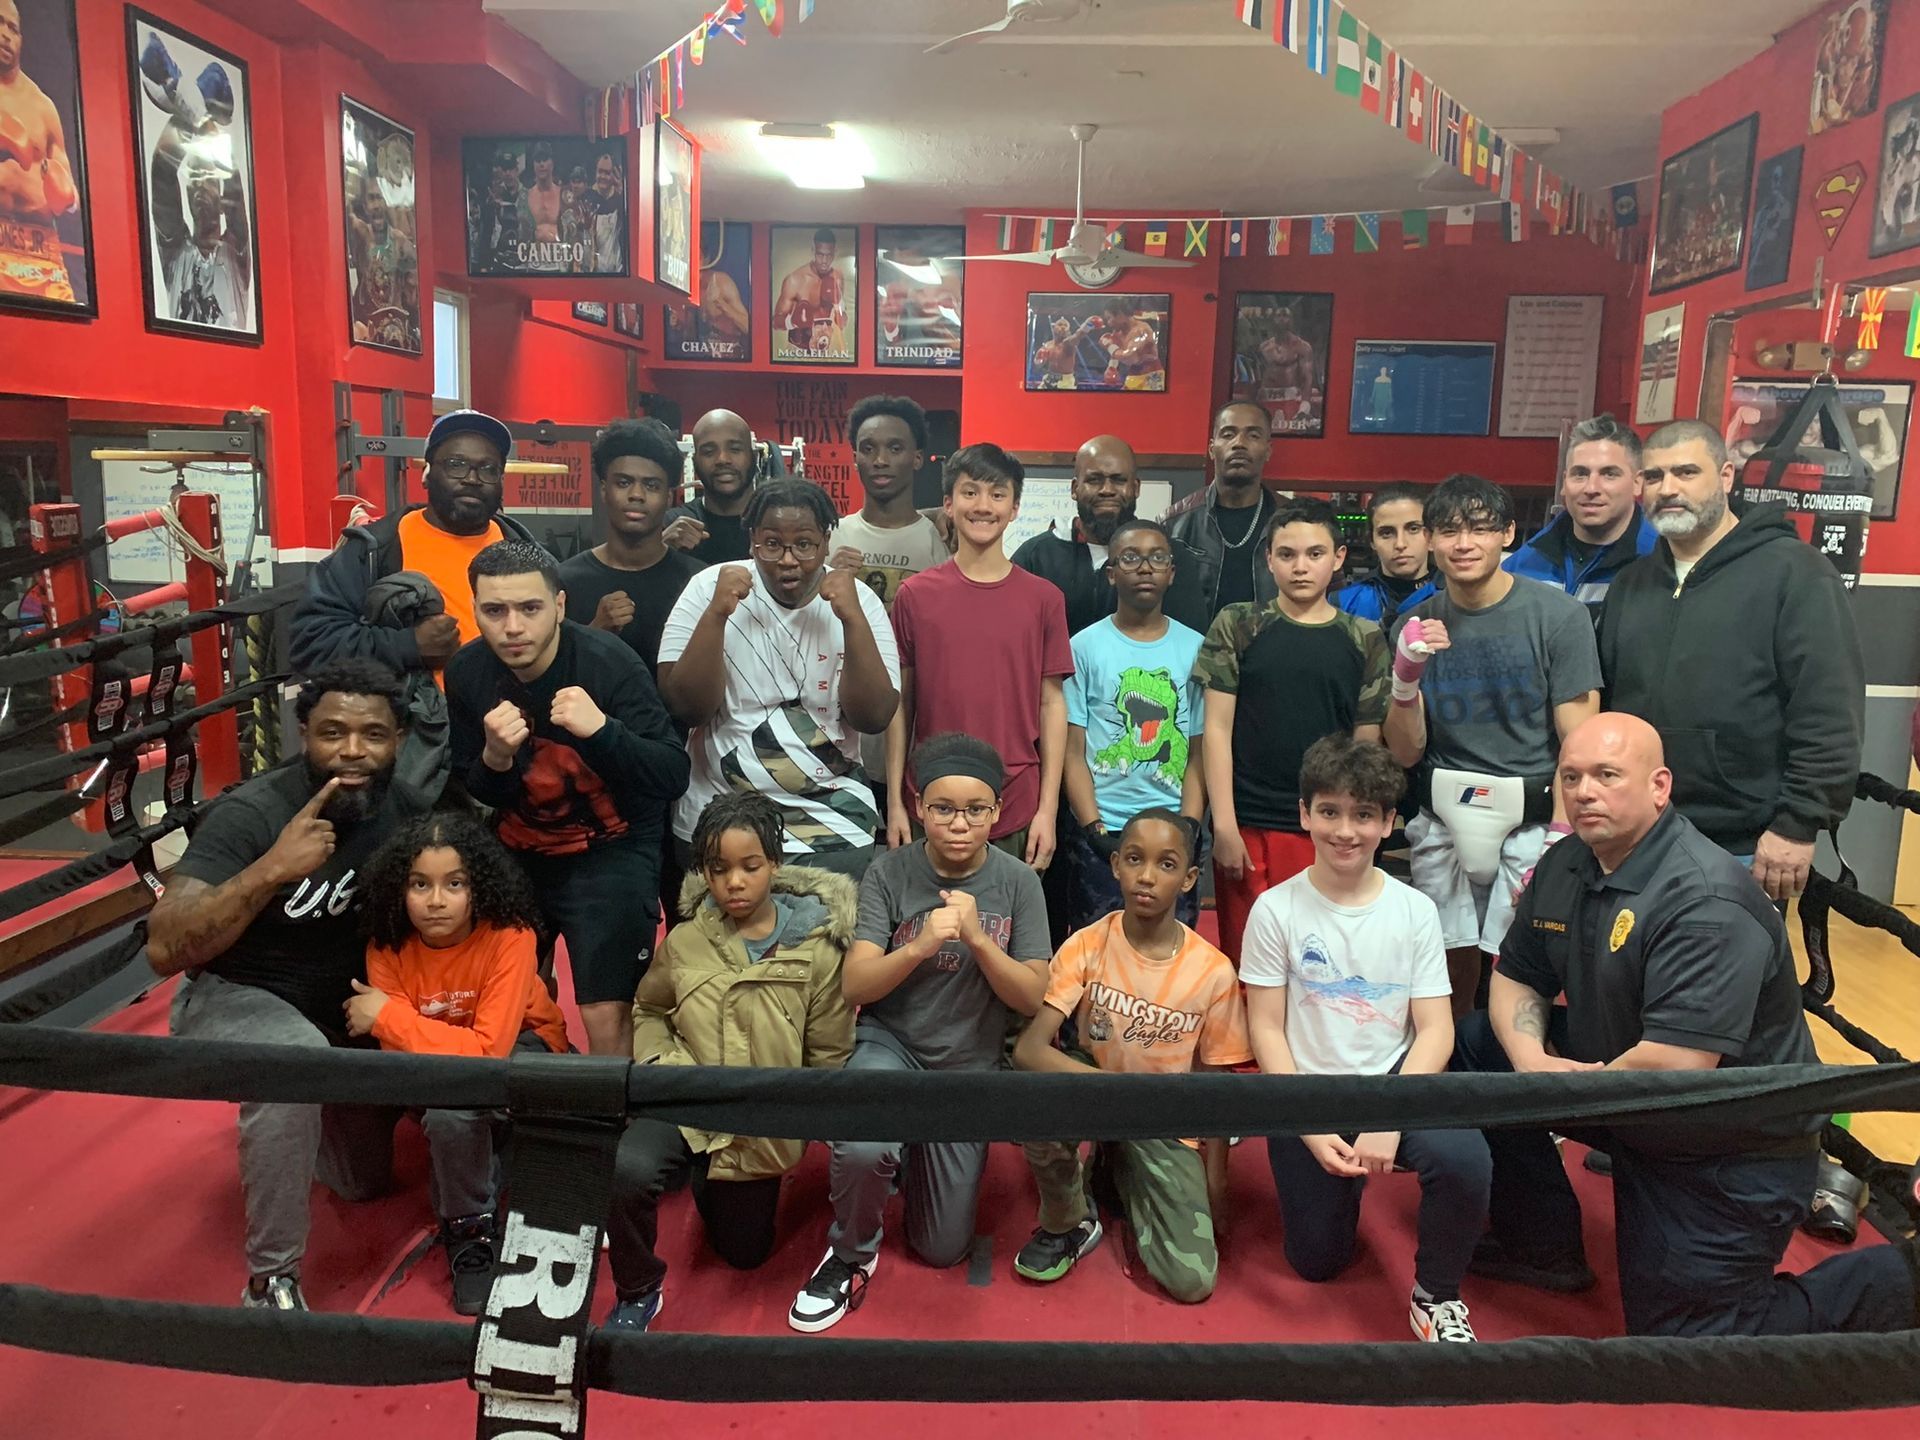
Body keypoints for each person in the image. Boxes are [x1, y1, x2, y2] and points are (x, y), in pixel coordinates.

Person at [1453, 713, 1918, 1336]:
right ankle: (1541, 1243)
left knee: (1690, 1338)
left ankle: (1905, 1277)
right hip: (1627, 1099)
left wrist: (1551, 1088)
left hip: (1726, 1149)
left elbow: (1676, 1069)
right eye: (1571, 776)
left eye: (1606, 775)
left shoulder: (1705, 901)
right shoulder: (1569, 861)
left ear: (1659, 787)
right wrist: (1532, 1063)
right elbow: (1516, 973)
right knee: (1485, 1042)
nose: (1584, 790)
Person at [147, 660, 430, 1312]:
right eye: (333, 732)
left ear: (400, 739)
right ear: (304, 734)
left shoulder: (407, 813)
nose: (352, 751)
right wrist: (270, 870)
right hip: (236, 997)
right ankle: (270, 1283)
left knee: (362, 1183)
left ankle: (313, 1120)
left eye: (373, 735)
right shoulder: (251, 814)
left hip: (342, 1011)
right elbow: (164, 948)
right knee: (294, 1060)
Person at [788, 734, 1051, 1333]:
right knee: (863, 1141)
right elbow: (857, 987)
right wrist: (924, 941)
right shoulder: (887, 873)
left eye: (976, 810)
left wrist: (979, 939)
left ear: (997, 812)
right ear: (919, 807)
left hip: (969, 1064)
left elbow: (1031, 995)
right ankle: (850, 1252)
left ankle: (907, 1159)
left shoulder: (1018, 883)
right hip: (893, 1045)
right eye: (943, 809)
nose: (959, 824)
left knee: (941, 1249)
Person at [1242, 735, 1489, 1343]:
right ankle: (1334, 1193)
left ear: (1388, 824)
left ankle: (1437, 1297)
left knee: (1467, 1159)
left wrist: (1391, 1113)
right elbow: (1267, 1028)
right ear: (1304, 815)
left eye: (1363, 815)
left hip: (1394, 1081)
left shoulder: (1414, 911)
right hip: (1309, 1092)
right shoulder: (1275, 910)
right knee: (1317, 1263)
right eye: (1329, 812)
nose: (1344, 830)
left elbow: (1435, 1029)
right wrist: (1307, 1121)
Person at [607, 792, 856, 1332]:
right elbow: (649, 1008)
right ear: (704, 873)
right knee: (627, 1170)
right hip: (688, 1098)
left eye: (750, 867)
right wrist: (664, 1064)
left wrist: (796, 1118)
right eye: (719, 870)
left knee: (744, 1254)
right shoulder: (686, 940)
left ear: (775, 863)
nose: (734, 883)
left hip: (758, 1123)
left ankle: (711, 1184)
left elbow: (828, 1055)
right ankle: (637, 1291)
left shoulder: (818, 950)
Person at [1597, 419, 1864, 898]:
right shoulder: (1631, 585)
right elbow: (1609, 706)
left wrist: (1798, 824)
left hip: (1743, 841)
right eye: (1654, 477)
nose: (1668, 489)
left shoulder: (1795, 574)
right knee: (1621, 971)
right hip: (1635, 834)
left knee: (1721, 973)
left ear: (1724, 477)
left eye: (1685, 472)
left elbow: (1828, 711)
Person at [445, 541, 689, 1057]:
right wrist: (494, 758)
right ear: (476, 611)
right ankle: (535, 1119)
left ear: (558, 606)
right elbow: (477, 786)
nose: (512, 628)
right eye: (495, 611)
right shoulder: (469, 672)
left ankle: (608, 1131)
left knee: (604, 1016)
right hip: (519, 850)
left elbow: (672, 774)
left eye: (529, 608)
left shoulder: (609, 664)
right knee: (516, 1000)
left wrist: (604, 732)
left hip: (612, 851)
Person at [1384, 474, 1601, 1014]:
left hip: (1532, 814)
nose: (1464, 544)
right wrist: (1406, 677)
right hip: (1441, 811)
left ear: (1508, 534)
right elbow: (1405, 753)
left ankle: (1513, 1079)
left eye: (1480, 529)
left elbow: (1580, 742)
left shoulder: (1559, 618)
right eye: (1450, 530)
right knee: (1440, 961)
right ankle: (1447, 1073)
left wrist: (1561, 836)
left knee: (1522, 962)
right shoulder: (1414, 622)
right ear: (1429, 539)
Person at [1012, 809, 1247, 1301]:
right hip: (1094, 1090)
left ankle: (1119, 1165)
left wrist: (1216, 1181)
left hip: (1163, 1117)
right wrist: (1112, 1093)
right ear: (1116, 865)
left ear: (1188, 879)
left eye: (1165, 865)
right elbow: (1031, 1051)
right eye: (1135, 860)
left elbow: (1217, 1087)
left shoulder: (1214, 972)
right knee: (1036, 1098)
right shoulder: (1086, 944)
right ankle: (1069, 1220)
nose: (1146, 876)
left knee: (1192, 1283)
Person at [350, 812, 571, 1314]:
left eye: (455, 884)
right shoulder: (386, 948)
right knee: (452, 1110)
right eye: (420, 884)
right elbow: (397, 1057)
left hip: (526, 1046)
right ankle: (471, 1230)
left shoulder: (510, 937)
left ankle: (481, 1205)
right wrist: (403, 1031)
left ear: (480, 887)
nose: (435, 901)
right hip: (446, 1075)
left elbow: (491, 1050)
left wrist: (386, 1015)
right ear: (398, 889)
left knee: (456, 1109)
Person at [658, 479, 899, 883]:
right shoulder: (708, 587)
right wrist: (717, 614)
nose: (789, 560)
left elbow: (874, 717)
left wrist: (853, 620)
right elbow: (686, 707)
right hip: (721, 811)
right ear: (752, 540)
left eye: (804, 545)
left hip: (832, 819)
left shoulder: (859, 600)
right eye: (772, 544)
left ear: (825, 541)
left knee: (827, 944)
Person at [1196, 497, 1390, 964]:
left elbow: (1366, 748)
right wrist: (1223, 823)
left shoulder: (1364, 637)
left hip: (1326, 827)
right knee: (1249, 961)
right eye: (1287, 555)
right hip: (1249, 822)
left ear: (1338, 559)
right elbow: (1216, 730)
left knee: (1320, 960)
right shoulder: (1238, 624)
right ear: (1269, 559)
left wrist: (1354, 827)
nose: (1300, 567)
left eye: (1315, 554)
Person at [888, 444, 1072, 872]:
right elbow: (902, 703)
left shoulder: (1044, 599)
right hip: (931, 800)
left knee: (1006, 935)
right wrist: (897, 801)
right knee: (927, 933)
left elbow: (1052, 703)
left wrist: (1047, 810)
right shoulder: (915, 595)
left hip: (1016, 800)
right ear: (949, 505)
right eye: (970, 493)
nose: (983, 506)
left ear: (1014, 508)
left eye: (997, 494)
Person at [291, 408, 541, 680]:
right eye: (456, 464)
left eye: (488, 469)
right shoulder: (374, 549)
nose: (472, 478)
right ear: (427, 474)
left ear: (501, 481)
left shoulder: (528, 553)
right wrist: (408, 646)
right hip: (411, 719)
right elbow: (311, 644)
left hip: (512, 719)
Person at [1064, 518, 1206, 930]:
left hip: (1173, 831)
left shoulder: (1196, 648)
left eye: (1157, 558)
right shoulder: (1082, 647)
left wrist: (1191, 826)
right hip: (1104, 829)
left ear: (1172, 572)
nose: (1145, 567)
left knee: (1170, 953)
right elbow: (1073, 751)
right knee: (1097, 950)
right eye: (1130, 558)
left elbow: (1198, 752)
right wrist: (1094, 828)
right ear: (1111, 573)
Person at [1012, 434, 1209, 636]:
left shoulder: (1166, 557)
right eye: (1094, 480)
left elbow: (1188, 642)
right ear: (1074, 489)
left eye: (1118, 480)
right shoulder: (1035, 557)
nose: (1107, 490)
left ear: (1136, 488)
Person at [560, 418, 702, 679]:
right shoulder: (563, 582)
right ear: (604, 490)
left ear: (669, 497)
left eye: (651, 485)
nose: (637, 495)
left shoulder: (698, 584)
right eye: (624, 482)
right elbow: (551, 683)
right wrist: (595, 632)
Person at [141, 42, 251, 330]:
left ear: (221, 193)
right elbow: (162, 171)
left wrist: (200, 122)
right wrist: (199, 119)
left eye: (207, 179)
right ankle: (207, 90)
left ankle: (193, 89)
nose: (199, 188)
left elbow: (236, 193)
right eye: (193, 182)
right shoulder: (176, 252)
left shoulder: (234, 252)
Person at [1504, 413, 1656, 609]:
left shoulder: (1661, 562)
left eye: (1609, 474)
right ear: (1564, 483)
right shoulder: (1524, 565)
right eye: (1580, 474)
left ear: (1637, 483)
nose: (1591, 488)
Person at [829, 394, 950, 613]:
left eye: (895, 449)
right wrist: (826, 579)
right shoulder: (831, 538)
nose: (880, 461)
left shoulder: (940, 540)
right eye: (868, 449)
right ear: (855, 458)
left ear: (917, 458)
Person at [1164, 402, 1279, 624]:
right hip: (1197, 652)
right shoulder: (1174, 524)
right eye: (1228, 434)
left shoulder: (1291, 522)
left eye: (1253, 436)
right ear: (1211, 449)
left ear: (1268, 450)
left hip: (1272, 651)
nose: (1239, 444)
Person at [0, 0, 82, 306]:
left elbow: (71, 200)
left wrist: (65, 195)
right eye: (0, 23)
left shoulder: (42, 107)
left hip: (44, 258)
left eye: (13, 28)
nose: (6, 35)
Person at [1336, 483, 1436, 629]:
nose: (1400, 544)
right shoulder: (1344, 602)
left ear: (1431, 535)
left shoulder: (1455, 598)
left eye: (1413, 529)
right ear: (1372, 541)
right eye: (1387, 533)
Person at [662, 409, 755, 565]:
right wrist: (661, 552)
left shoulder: (777, 522)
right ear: (695, 461)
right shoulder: (671, 524)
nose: (723, 459)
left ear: (754, 456)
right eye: (709, 452)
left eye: (735, 449)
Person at [347, 174, 417, 351]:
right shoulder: (360, 232)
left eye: (381, 198)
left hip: (398, 337)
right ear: (364, 204)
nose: (377, 205)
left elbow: (416, 289)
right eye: (371, 198)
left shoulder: (400, 241)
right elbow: (345, 209)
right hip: (364, 333)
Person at [774, 226, 846, 355]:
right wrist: (791, 322)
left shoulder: (837, 278)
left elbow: (841, 323)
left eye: (829, 255)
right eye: (820, 254)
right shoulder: (795, 280)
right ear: (813, 250)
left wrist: (838, 304)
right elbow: (775, 322)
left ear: (835, 252)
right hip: (796, 353)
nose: (824, 261)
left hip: (824, 351)